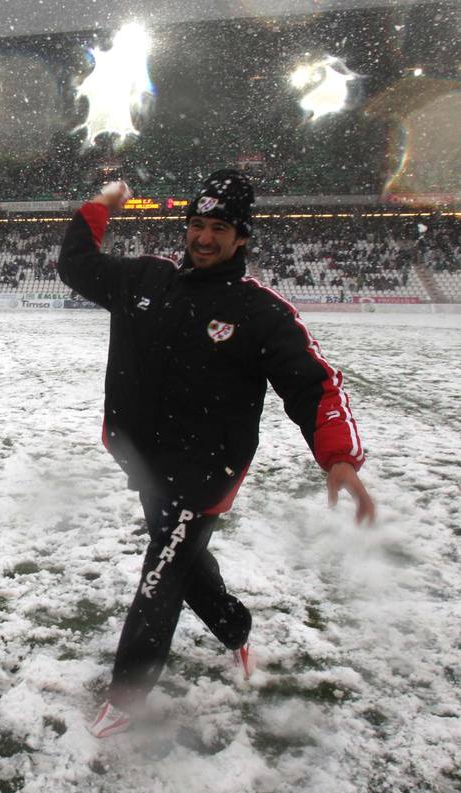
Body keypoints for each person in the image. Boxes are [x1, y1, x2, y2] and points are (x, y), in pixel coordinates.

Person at [57, 171, 376, 738]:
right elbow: (76, 264)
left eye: (220, 229)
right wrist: (101, 205)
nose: (204, 238)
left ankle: (127, 697)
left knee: (159, 575)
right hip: (146, 463)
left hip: (208, 472)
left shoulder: (259, 312)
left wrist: (338, 456)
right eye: (197, 225)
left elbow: (314, 384)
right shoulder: (145, 280)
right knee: (179, 557)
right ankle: (235, 630)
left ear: (243, 237)